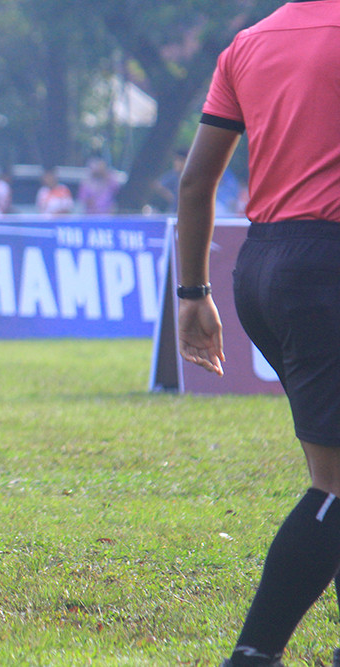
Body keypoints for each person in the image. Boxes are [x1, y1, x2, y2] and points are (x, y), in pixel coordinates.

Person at [175, 3, 340, 666]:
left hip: (263, 267)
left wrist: (192, 293)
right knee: (333, 487)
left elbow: (195, 180)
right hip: (329, 264)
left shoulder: (247, 43)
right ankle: (253, 654)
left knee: (332, 476)